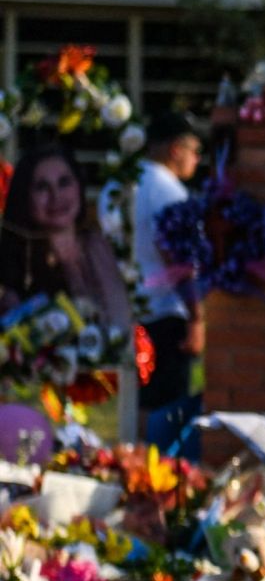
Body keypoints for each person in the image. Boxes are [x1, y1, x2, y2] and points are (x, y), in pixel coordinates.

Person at [0, 146, 131, 325]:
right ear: (25, 196)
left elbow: (120, 322)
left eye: (64, 183)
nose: (56, 196)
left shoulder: (97, 246)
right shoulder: (12, 259)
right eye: (42, 187)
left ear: (79, 187)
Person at [133, 112, 203, 428]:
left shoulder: (121, 183)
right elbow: (176, 257)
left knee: (135, 403)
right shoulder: (168, 190)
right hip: (165, 312)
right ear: (176, 149)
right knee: (165, 409)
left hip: (129, 308)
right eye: (195, 151)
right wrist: (197, 317)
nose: (197, 160)